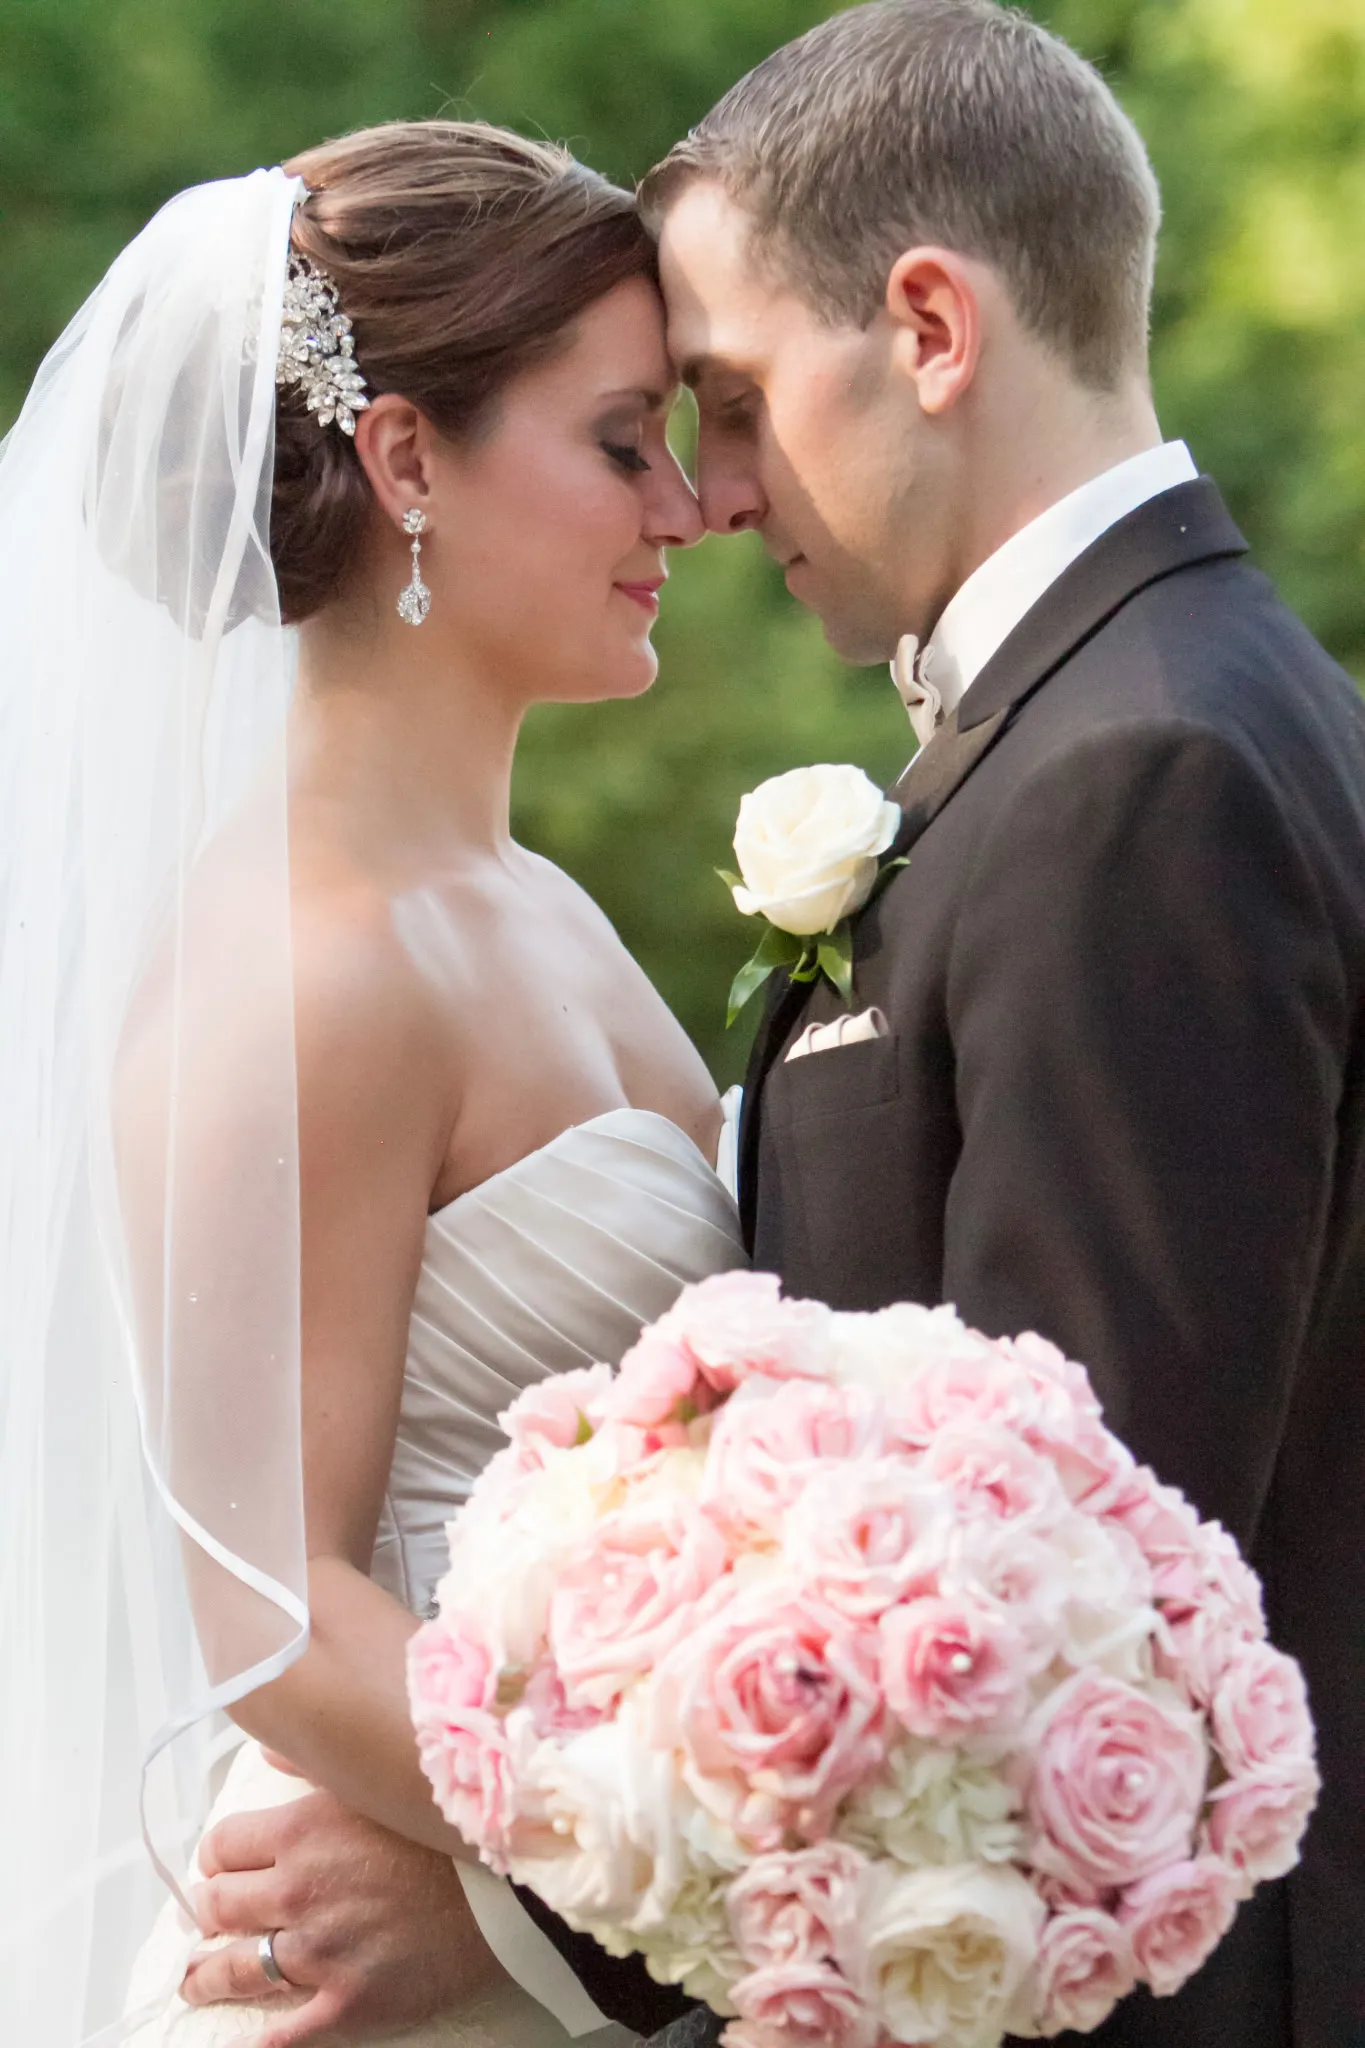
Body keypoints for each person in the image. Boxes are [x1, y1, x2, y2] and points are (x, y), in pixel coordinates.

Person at [194, 6, 1363, 2048]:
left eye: (714, 406)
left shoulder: (1134, 775)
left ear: (926, 326)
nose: (708, 496)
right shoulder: (1091, 744)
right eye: (639, 435)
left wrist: (535, 1917)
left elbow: (1041, 1602)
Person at [0, 121, 750, 2048]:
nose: (684, 508)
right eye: (619, 442)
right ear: (408, 458)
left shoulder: (536, 906)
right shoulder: (300, 967)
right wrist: (703, 1869)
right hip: (389, 1966)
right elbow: (268, 1606)